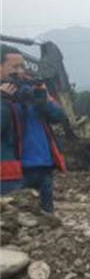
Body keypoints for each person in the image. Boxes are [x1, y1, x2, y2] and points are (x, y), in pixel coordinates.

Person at [0, 44, 66, 212]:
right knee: (16, 220)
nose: (20, 71)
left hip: (43, 167)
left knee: (47, 221)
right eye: (14, 67)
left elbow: (59, 116)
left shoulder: (32, 89)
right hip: (11, 173)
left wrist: (42, 101)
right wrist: (3, 101)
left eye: (22, 66)